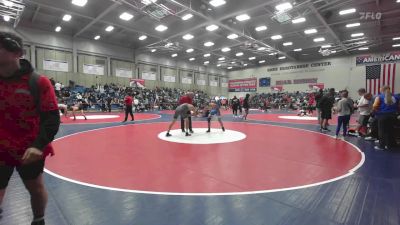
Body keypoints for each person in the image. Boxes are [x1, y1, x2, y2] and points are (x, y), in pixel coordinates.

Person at [0, 31, 61, 225]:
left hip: (28, 149)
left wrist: (38, 145)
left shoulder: (37, 82)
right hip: (0, 149)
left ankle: (39, 219)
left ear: (16, 52)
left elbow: (51, 117)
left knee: (35, 188)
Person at [372, 86, 400, 150]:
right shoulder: (397, 96)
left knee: (382, 131)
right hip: (393, 116)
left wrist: (375, 113)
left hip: (383, 116)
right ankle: (391, 145)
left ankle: (381, 146)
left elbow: (374, 107)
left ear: (382, 90)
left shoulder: (379, 97)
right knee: (390, 130)